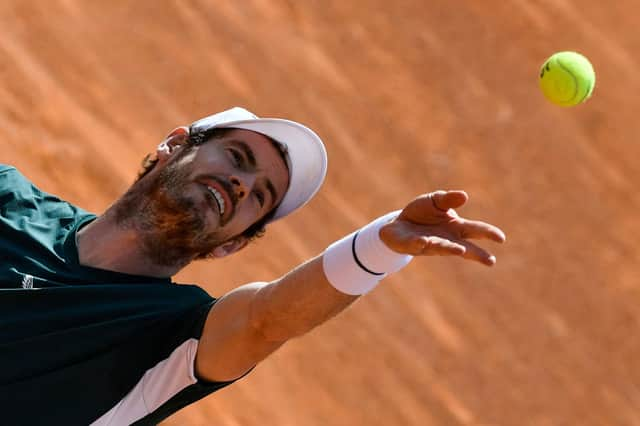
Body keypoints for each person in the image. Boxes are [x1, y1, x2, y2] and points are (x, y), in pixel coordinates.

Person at [0, 107, 505, 425]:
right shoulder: (10, 200)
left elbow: (267, 319)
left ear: (230, 246)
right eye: (237, 156)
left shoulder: (171, 337)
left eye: (260, 196)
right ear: (173, 147)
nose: (242, 184)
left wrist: (379, 246)